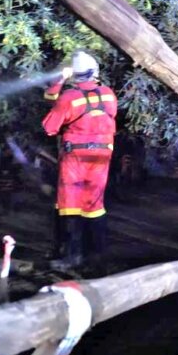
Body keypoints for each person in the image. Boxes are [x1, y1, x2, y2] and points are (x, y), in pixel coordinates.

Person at [42, 51, 117, 270]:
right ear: (95, 72)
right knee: (94, 205)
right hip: (102, 155)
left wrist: (60, 80)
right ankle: (98, 256)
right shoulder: (109, 94)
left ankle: (71, 256)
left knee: (71, 204)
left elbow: (49, 128)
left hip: (75, 157)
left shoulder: (69, 97)